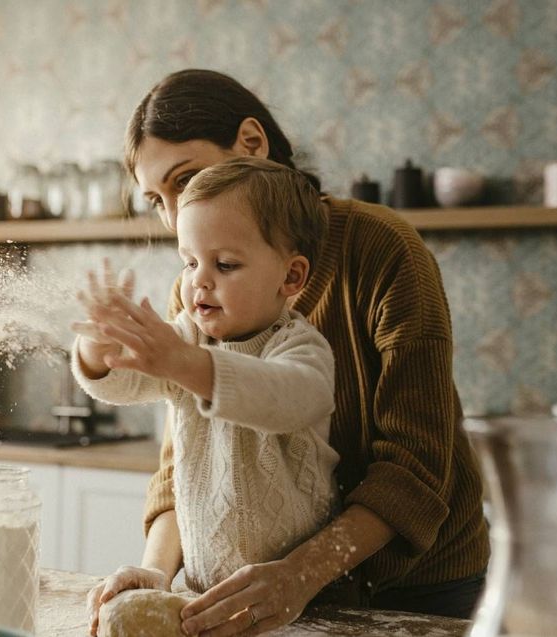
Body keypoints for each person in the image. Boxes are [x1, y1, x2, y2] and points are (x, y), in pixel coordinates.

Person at [87, 69, 490, 637]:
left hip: (419, 584)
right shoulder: (199, 291)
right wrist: (156, 571)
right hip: (266, 591)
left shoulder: (383, 249)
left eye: (188, 179)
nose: (178, 217)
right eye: (158, 199)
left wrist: (302, 575)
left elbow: (415, 463)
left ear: (253, 143)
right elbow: (186, 461)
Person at [72, 157, 341, 628]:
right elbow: (124, 382)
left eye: (225, 264)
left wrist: (185, 363)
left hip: (296, 605)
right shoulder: (187, 340)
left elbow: (287, 397)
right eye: (190, 261)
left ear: (291, 277)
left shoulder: (302, 348)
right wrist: (98, 346)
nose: (199, 279)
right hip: (197, 594)